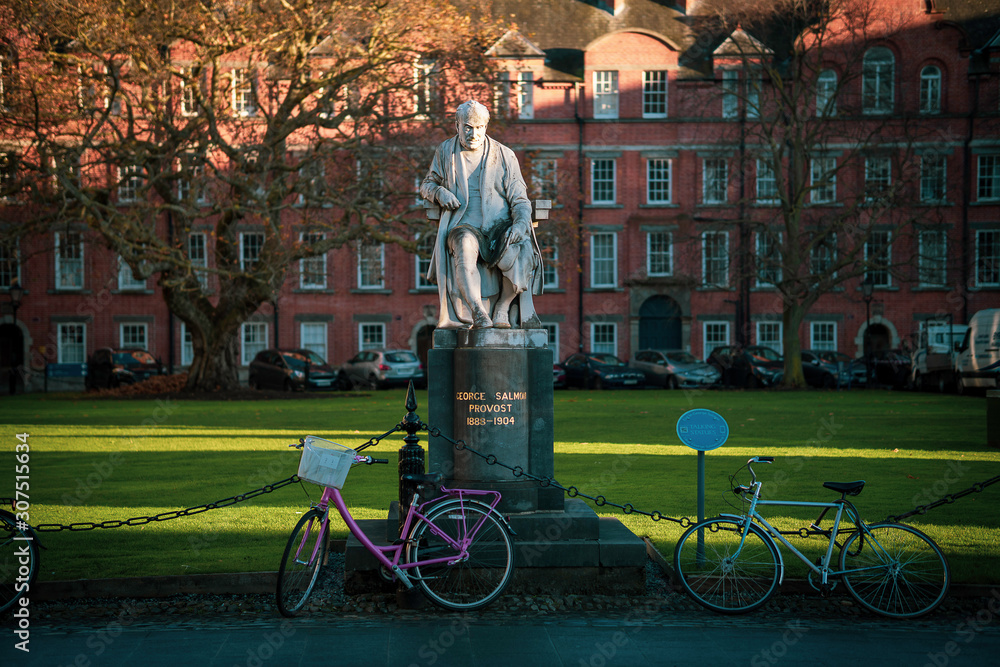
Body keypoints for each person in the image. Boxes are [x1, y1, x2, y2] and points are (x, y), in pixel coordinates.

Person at [420, 100, 543, 329]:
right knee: (465, 245)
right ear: (457, 125)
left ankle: (503, 307)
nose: (473, 133)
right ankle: (478, 313)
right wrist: (438, 192)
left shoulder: (505, 155)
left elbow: (520, 199)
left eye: (479, 127)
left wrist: (519, 224)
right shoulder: (446, 151)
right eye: (467, 127)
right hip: (463, 225)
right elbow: (426, 184)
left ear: (486, 127)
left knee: (524, 249)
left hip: (500, 225)